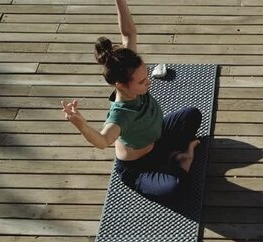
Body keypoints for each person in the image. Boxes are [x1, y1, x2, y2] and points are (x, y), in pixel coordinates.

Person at [61, 0, 201, 201]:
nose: (148, 83)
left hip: (158, 139)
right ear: (121, 85)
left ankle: (172, 157)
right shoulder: (121, 115)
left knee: (192, 114)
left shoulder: (129, 69)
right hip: (138, 167)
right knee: (176, 188)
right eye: (142, 81)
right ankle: (182, 156)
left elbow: (129, 34)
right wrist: (80, 124)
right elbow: (102, 141)